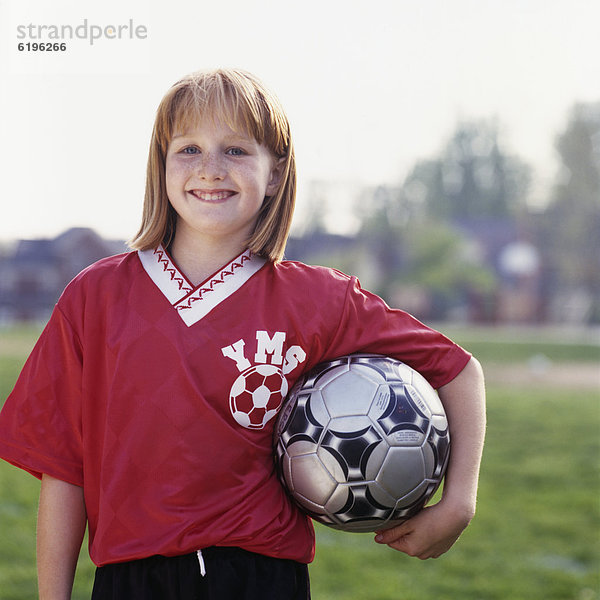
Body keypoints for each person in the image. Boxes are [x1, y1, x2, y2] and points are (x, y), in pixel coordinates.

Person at [0, 68, 486, 600]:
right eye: (188, 149)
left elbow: (459, 370)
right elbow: (64, 470)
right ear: (160, 165)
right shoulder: (95, 297)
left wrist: (458, 499)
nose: (210, 170)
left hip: (260, 576)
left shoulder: (320, 299)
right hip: (130, 579)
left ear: (275, 173)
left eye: (235, 150)